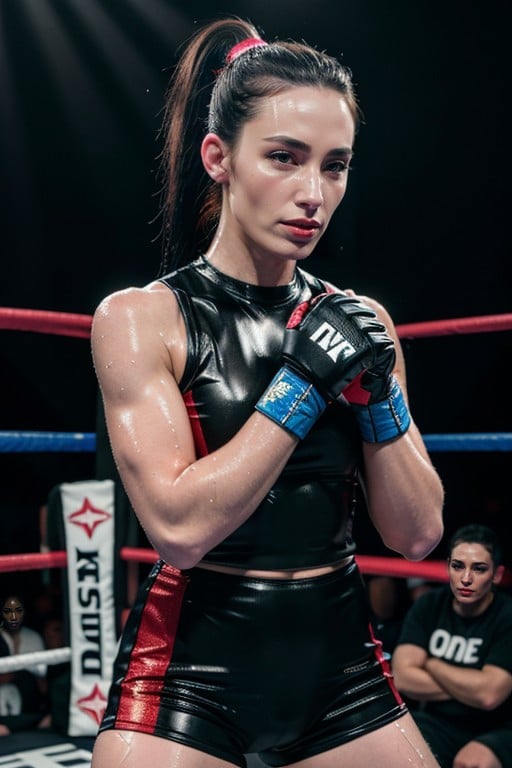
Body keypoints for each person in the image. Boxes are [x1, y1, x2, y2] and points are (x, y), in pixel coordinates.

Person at [90, 16, 444, 768]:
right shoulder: (141, 318)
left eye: (335, 165)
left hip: (343, 670)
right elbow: (180, 531)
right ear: (219, 156)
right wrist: (303, 382)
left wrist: (378, 394)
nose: (312, 193)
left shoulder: (361, 322)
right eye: (284, 158)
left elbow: (416, 536)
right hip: (189, 679)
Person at [392, 524, 512, 768]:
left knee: (471, 763)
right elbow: (403, 677)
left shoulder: (507, 615)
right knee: (393, 741)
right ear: (448, 566)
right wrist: (470, 687)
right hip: (439, 721)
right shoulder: (430, 605)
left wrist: (431, 664)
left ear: (496, 575)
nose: (466, 579)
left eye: (479, 569)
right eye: (458, 566)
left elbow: (489, 695)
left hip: (499, 727)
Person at [0, 594, 48, 735]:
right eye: (8, 611)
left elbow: (43, 683)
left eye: (18, 610)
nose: (13, 616)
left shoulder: (33, 637)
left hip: (29, 706)